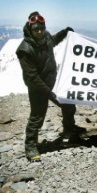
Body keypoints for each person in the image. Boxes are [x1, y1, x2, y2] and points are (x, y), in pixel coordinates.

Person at [16, 11, 85, 161]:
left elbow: (53, 40)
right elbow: (32, 77)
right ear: (30, 29)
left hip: (52, 81)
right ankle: (31, 147)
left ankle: (69, 131)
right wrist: (49, 93)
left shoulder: (45, 37)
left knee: (68, 104)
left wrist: (65, 32)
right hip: (37, 88)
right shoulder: (24, 50)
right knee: (37, 116)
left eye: (41, 28)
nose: (40, 31)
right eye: (36, 29)